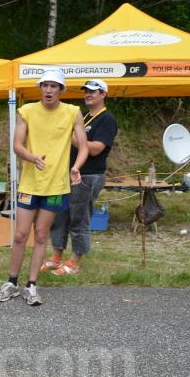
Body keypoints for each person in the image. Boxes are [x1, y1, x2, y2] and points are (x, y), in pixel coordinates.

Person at [0, 68, 88, 305]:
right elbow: (17, 145)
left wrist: (76, 167)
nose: (48, 90)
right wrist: (31, 157)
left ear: (61, 90)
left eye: (53, 86)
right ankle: (12, 282)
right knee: (20, 235)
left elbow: (84, 147)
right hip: (30, 184)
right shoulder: (26, 111)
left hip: (56, 187)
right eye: (45, 85)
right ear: (40, 88)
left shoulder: (73, 112)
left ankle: (31, 285)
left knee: (42, 235)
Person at [44, 79, 117, 276]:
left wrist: (69, 136)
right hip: (67, 174)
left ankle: (74, 262)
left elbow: (95, 149)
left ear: (103, 94)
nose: (88, 94)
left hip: (88, 176)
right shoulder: (83, 116)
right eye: (86, 91)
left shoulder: (107, 119)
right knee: (59, 216)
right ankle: (56, 257)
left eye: (93, 91)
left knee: (79, 219)